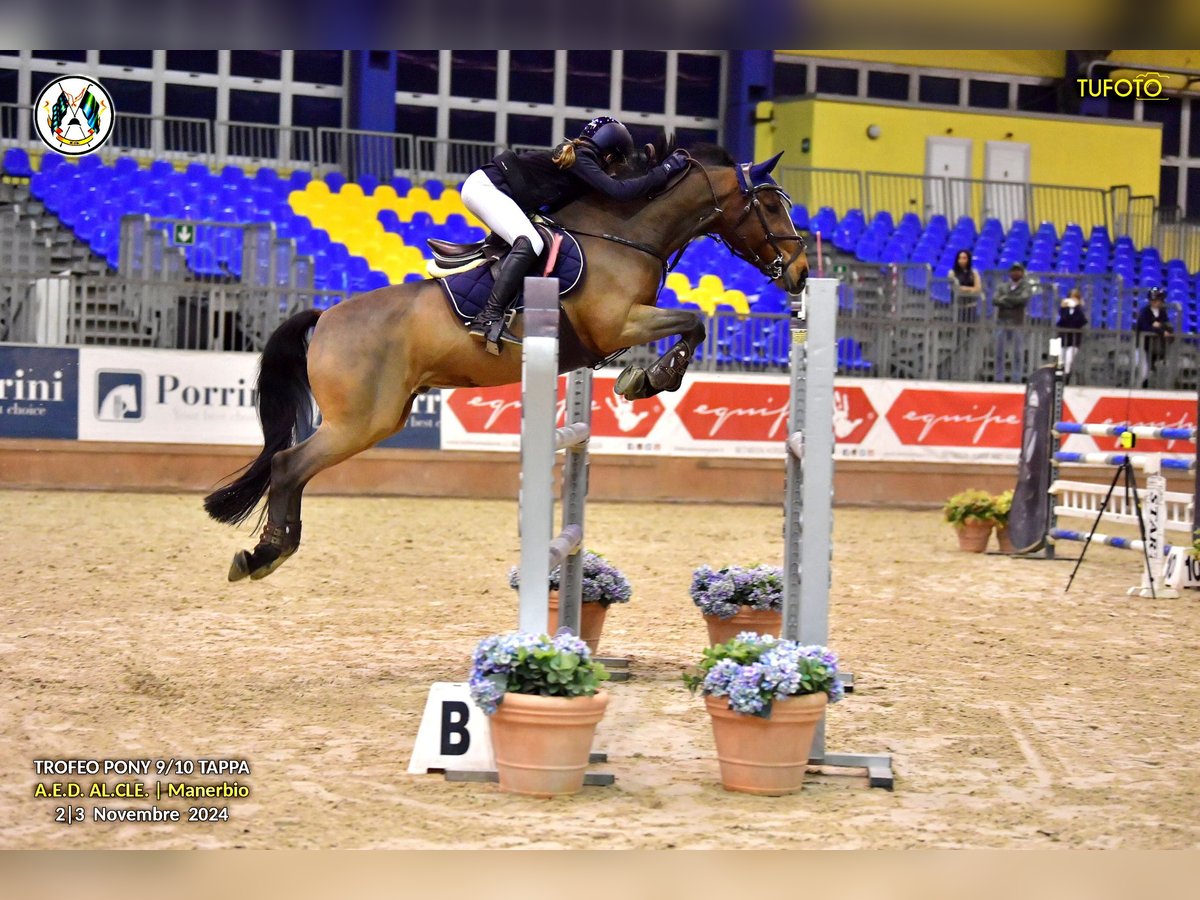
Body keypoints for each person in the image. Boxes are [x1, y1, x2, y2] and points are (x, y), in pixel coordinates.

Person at [458, 116, 689, 354]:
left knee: (534, 240)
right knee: (531, 242)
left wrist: (648, 169)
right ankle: (488, 317)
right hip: (486, 188)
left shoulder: (580, 158)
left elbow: (615, 188)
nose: (612, 171)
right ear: (608, 157)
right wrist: (666, 170)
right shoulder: (581, 159)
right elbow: (618, 191)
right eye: (614, 164)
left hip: (496, 190)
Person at [993, 262, 1033, 383]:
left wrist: (1005, 299)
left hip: (1017, 321)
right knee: (999, 351)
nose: (1016, 273)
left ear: (1022, 273)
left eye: (1018, 270)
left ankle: (1016, 377)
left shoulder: (1026, 287)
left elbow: (1023, 299)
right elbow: (995, 300)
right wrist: (1013, 302)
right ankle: (998, 377)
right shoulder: (1002, 286)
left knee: (1017, 352)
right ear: (1010, 273)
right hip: (1002, 320)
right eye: (1014, 270)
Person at [1135, 286, 1174, 388]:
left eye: (1159, 300)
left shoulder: (1162, 312)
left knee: (1155, 370)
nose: (1157, 302)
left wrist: (1159, 326)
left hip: (1157, 347)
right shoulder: (1145, 312)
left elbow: (1167, 325)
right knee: (1143, 371)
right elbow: (1145, 327)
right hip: (1143, 346)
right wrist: (1160, 330)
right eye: (1155, 300)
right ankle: (1140, 389)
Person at [1055, 287, 1088, 383]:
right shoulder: (1063, 309)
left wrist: (1077, 307)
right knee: (1059, 360)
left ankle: (1066, 378)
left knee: (1069, 359)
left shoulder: (1080, 311)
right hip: (1061, 338)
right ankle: (1058, 378)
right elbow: (1062, 320)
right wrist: (1064, 307)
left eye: (1075, 298)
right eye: (1070, 297)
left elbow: (1081, 321)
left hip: (1074, 340)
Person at [950, 249, 982, 323]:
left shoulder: (974, 273)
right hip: (958, 305)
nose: (962, 260)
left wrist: (963, 289)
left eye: (964, 258)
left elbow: (978, 289)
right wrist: (970, 289)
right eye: (960, 258)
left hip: (971, 305)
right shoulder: (952, 273)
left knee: (969, 329)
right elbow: (955, 288)